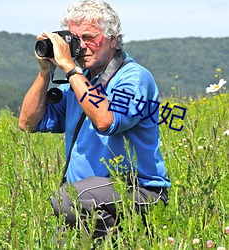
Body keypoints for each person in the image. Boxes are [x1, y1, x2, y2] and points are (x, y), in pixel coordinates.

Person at [19, 0, 171, 244]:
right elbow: (28, 123)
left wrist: (69, 67)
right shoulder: (79, 83)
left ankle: (126, 241)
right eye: (75, 39)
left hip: (138, 192)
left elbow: (106, 121)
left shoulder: (133, 77)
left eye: (89, 37)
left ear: (112, 39)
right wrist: (45, 70)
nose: (81, 47)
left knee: (67, 200)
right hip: (89, 199)